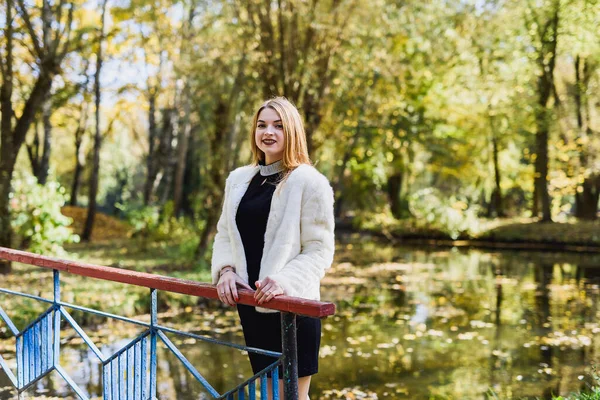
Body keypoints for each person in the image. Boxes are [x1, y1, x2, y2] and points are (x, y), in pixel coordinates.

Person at [211, 97, 335, 400]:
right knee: (266, 397)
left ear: (291, 131)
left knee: (292, 398)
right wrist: (225, 271)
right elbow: (225, 235)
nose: (269, 132)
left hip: (293, 308)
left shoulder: (310, 182)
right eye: (262, 124)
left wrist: (282, 282)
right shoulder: (238, 180)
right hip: (251, 308)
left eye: (278, 126)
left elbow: (319, 250)